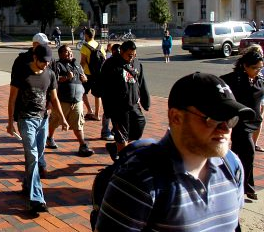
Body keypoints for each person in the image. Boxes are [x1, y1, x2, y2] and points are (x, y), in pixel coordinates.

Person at [95, 72, 249, 231]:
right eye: (214, 118)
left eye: (231, 119)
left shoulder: (232, 165)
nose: (225, 128)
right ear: (176, 117)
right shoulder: (139, 180)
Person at [7, 44, 69, 217]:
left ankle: (28, 183)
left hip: (43, 120)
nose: (46, 65)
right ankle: (37, 200)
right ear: (35, 58)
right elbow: (12, 99)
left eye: (48, 62)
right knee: (33, 155)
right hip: (26, 120)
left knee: (38, 154)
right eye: (43, 61)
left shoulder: (50, 74)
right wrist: (10, 122)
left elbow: (54, 98)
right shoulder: (22, 72)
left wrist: (62, 118)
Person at [221, 50, 263, 200]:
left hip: (252, 123)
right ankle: (247, 187)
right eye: (255, 68)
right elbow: (220, 84)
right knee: (249, 153)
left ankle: (234, 183)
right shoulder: (235, 79)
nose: (258, 71)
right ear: (245, 66)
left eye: (260, 68)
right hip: (240, 123)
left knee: (237, 154)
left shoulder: (258, 79)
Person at [100, 40, 150, 160]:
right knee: (122, 137)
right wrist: (107, 109)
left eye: (134, 55)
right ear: (121, 52)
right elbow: (104, 87)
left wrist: (145, 101)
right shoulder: (111, 64)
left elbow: (141, 83)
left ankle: (114, 147)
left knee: (138, 129)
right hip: (117, 108)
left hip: (133, 105)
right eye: (129, 55)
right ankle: (122, 164)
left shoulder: (137, 63)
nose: (132, 58)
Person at [46, 44, 93, 157]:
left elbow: (83, 77)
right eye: (66, 51)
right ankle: (50, 137)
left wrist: (84, 79)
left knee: (78, 123)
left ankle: (83, 146)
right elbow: (52, 80)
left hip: (77, 101)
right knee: (54, 121)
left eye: (70, 51)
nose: (70, 53)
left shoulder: (77, 65)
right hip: (62, 100)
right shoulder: (57, 65)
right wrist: (66, 78)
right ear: (61, 54)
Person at [80, 28, 105, 121]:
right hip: (98, 74)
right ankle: (97, 114)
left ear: (86, 35)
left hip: (87, 73)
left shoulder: (85, 46)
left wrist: (80, 72)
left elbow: (83, 62)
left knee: (83, 92)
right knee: (97, 95)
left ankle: (90, 110)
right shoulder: (100, 46)